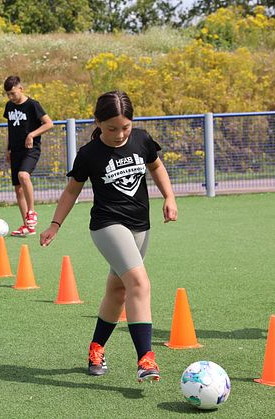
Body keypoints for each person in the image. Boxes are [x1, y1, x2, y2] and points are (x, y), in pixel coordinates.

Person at [39, 91, 178, 382]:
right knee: (139, 282)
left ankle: (96, 348)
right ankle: (146, 359)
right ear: (98, 123)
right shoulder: (89, 154)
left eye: (125, 127)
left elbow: (156, 167)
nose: (119, 134)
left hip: (141, 225)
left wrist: (169, 196)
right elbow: (71, 191)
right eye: (112, 128)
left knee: (119, 291)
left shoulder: (141, 139)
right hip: (107, 225)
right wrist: (54, 224)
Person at [2, 75, 54, 236]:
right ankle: (28, 226)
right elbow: (11, 128)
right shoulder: (9, 106)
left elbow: (49, 123)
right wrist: (7, 149)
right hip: (15, 150)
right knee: (18, 190)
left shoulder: (33, 105)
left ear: (21, 89)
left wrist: (32, 135)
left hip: (31, 149)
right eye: (8, 94)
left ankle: (32, 212)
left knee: (24, 176)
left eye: (13, 93)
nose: (11, 97)